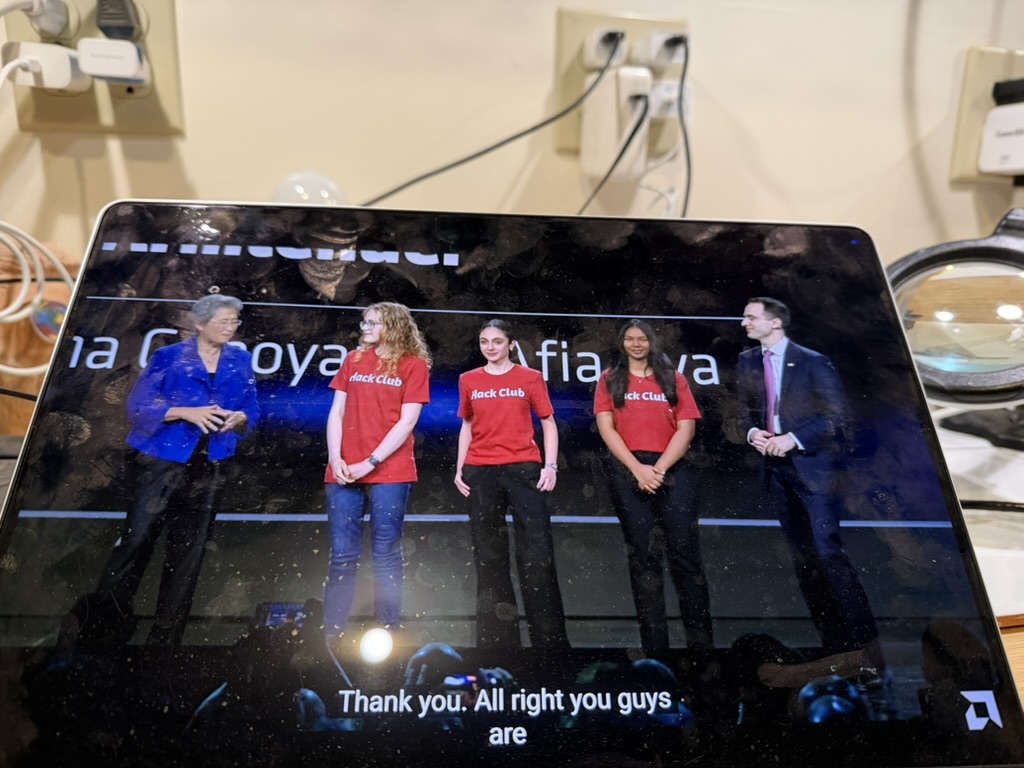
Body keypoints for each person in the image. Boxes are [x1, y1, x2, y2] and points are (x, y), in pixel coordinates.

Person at [97, 294, 259, 645]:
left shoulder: (241, 360)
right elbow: (138, 407)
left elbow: (252, 407)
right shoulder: (169, 356)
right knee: (137, 542)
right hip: (162, 461)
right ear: (199, 323)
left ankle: (167, 639)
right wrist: (186, 412)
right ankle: (105, 629)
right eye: (223, 321)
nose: (230, 328)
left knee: (189, 553)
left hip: (211, 465)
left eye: (234, 322)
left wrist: (241, 418)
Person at [736, 296, 882, 685]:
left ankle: (867, 649)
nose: (744, 323)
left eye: (751, 317)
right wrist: (753, 433)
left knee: (829, 553)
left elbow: (837, 417)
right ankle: (833, 648)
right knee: (803, 561)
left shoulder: (813, 362)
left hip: (814, 469)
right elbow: (743, 412)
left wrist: (793, 438)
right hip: (776, 471)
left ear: (775, 323)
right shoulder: (747, 361)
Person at [593, 319, 712, 654]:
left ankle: (702, 649)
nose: (636, 344)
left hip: (674, 470)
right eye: (629, 339)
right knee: (644, 560)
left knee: (686, 557)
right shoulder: (609, 380)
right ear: (622, 344)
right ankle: (655, 652)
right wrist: (637, 469)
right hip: (629, 470)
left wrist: (658, 470)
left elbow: (686, 429)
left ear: (651, 343)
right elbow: (606, 428)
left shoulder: (674, 378)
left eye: (642, 338)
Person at [454, 319, 568, 648]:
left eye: (497, 341)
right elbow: (467, 425)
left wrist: (550, 466)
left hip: (523, 471)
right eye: (485, 342)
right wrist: (460, 468)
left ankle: (549, 642)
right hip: (481, 472)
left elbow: (548, 422)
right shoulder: (468, 379)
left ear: (511, 345)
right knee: (489, 557)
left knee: (537, 555)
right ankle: (497, 643)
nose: (490, 347)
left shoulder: (530, 377)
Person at [323, 302, 430, 646]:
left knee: (385, 553)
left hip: (390, 470)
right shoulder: (353, 360)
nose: (365, 328)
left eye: (373, 323)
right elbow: (337, 413)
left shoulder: (413, 365)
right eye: (364, 323)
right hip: (343, 470)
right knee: (342, 556)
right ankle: (331, 633)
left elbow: (407, 421)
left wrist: (370, 461)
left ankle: (388, 630)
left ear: (394, 326)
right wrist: (335, 458)